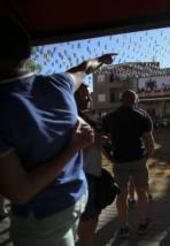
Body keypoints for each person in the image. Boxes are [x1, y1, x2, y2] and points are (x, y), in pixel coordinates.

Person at [0, 14, 114, 246]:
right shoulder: (59, 83)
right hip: (77, 197)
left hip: (42, 218)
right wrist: (101, 60)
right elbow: (85, 67)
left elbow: (20, 192)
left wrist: (74, 147)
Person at [103, 90, 155, 237]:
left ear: (122, 100)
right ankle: (143, 223)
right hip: (138, 159)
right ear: (135, 100)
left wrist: (110, 158)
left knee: (121, 195)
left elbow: (103, 142)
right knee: (142, 192)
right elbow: (150, 142)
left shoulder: (109, 117)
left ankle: (123, 227)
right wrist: (146, 157)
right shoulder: (143, 115)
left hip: (119, 161)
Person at [75, 84, 107, 246]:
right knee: (87, 220)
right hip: (82, 177)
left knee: (90, 219)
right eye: (84, 95)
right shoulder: (71, 118)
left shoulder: (82, 117)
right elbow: (68, 148)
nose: (88, 98)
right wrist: (94, 142)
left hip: (90, 173)